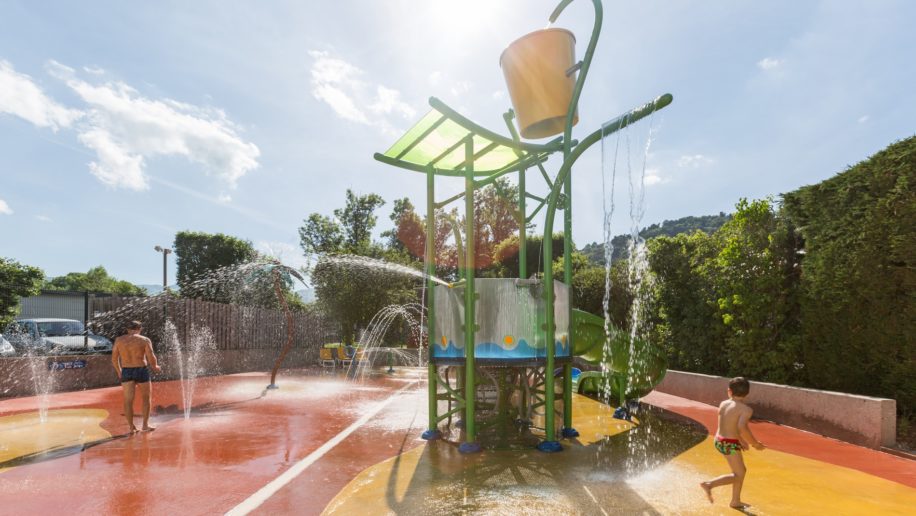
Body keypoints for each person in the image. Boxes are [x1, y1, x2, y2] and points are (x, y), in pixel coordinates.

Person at [700, 377, 765, 510]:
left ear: (729, 391)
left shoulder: (724, 403)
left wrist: (740, 440)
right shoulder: (746, 410)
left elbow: (727, 424)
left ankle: (736, 501)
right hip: (729, 443)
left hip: (719, 439)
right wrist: (755, 443)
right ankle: (709, 484)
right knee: (739, 474)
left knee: (739, 471)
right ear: (747, 393)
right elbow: (742, 427)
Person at [111, 320, 161, 433]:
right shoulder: (144, 340)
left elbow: (114, 358)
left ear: (127, 329)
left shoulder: (119, 340)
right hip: (141, 370)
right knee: (146, 398)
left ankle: (131, 427)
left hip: (126, 371)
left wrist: (119, 371)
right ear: (139, 329)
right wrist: (155, 366)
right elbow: (151, 356)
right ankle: (145, 425)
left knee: (128, 400)